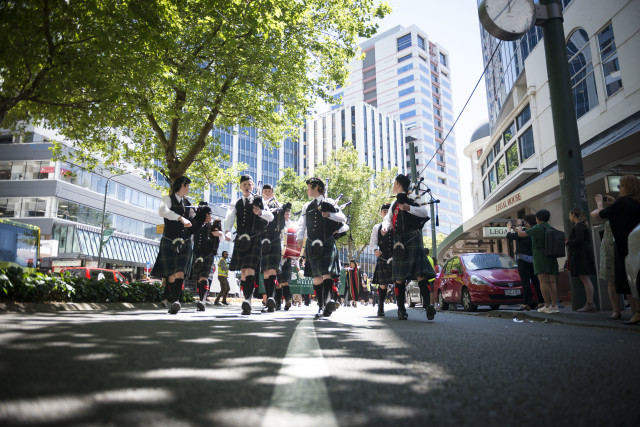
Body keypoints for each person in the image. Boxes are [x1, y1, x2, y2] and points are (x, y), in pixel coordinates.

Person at [381, 174, 436, 321]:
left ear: (399, 184)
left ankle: (428, 307)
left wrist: (408, 207)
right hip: (399, 243)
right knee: (399, 279)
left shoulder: (413, 198)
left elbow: (424, 212)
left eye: (394, 183)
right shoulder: (394, 204)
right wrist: (385, 227)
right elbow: (388, 219)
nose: (393, 186)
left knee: (421, 274)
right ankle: (401, 310)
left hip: (413, 239)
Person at [591, 175, 640, 324]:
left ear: (627, 187)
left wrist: (600, 203)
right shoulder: (635, 202)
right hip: (636, 244)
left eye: (620, 186)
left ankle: (636, 312)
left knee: (628, 281)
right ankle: (635, 312)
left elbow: (599, 215)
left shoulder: (623, 202)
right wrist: (614, 204)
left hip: (625, 245)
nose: (619, 189)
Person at [296, 177, 346, 319]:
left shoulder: (329, 202)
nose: (307, 190)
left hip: (327, 242)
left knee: (327, 274)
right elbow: (302, 223)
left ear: (317, 187)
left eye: (309, 187)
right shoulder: (307, 206)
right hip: (312, 243)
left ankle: (328, 302)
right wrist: (299, 237)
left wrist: (329, 214)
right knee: (317, 278)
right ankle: (321, 306)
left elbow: (342, 218)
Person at [224, 175, 274, 315]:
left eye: (249, 184)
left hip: (254, 238)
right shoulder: (236, 203)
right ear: (240, 187)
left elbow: (271, 217)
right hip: (241, 238)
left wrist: (260, 212)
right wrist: (227, 231)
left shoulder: (258, 200)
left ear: (253, 187)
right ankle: (247, 300)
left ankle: (248, 300)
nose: (247, 186)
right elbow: (230, 217)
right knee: (243, 271)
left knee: (250, 269)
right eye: (245, 184)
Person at [150, 176, 196, 315]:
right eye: (187, 186)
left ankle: (176, 301)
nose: (189, 188)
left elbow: (194, 221)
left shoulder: (188, 203)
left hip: (185, 241)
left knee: (180, 272)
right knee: (171, 274)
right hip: (169, 239)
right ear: (182, 185)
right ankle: (169, 299)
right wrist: (180, 218)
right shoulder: (167, 199)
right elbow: (162, 211)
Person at [514, 209, 559, 313]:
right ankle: (554, 305)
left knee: (542, 281)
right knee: (552, 282)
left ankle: (547, 305)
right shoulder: (550, 227)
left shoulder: (538, 228)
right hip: (552, 258)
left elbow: (521, 234)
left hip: (540, 257)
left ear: (538, 218)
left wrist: (520, 225)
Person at [260, 184, 291, 312]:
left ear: (273, 193)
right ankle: (269, 300)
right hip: (263, 240)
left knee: (272, 270)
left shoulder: (278, 206)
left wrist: (285, 213)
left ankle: (272, 300)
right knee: (265, 272)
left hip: (275, 239)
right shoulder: (259, 205)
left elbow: (284, 225)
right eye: (265, 191)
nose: (267, 193)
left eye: (269, 191)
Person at [190, 203, 223, 311]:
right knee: (198, 279)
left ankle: (202, 301)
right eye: (206, 214)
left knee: (204, 277)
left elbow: (221, 237)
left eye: (209, 214)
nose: (208, 216)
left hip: (208, 254)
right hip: (196, 253)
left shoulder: (214, 224)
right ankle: (201, 300)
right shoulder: (196, 224)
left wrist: (219, 234)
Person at [507, 214, 543, 310]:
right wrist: (517, 229)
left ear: (527, 222)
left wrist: (509, 228)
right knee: (536, 281)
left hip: (523, 260)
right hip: (534, 260)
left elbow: (509, 236)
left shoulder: (522, 233)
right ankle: (541, 302)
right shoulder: (534, 231)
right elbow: (521, 234)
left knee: (525, 282)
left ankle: (527, 303)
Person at [566, 208, 597, 312]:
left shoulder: (578, 226)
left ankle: (590, 303)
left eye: (570, 215)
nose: (569, 218)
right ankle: (590, 303)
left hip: (580, 256)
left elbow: (578, 241)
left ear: (573, 215)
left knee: (585, 280)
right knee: (586, 279)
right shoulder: (583, 226)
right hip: (584, 255)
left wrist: (568, 242)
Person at [370, 203, 394, 316]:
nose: (386, 213)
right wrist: (375, 250)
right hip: (383, 257)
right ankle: (380, 307)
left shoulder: (396, 225)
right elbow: (373, 242)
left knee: (399, 281)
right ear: (381, 213)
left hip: (396, 256)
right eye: (384, 211)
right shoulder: (377, 227)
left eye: (388, 211)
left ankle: (401, 308)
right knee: (383, 284)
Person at [598, 221, 621, 319]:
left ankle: (634, 311)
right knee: (612, 281)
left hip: (618, 246)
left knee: (621, 282)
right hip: (610, 248)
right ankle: (616, 310)